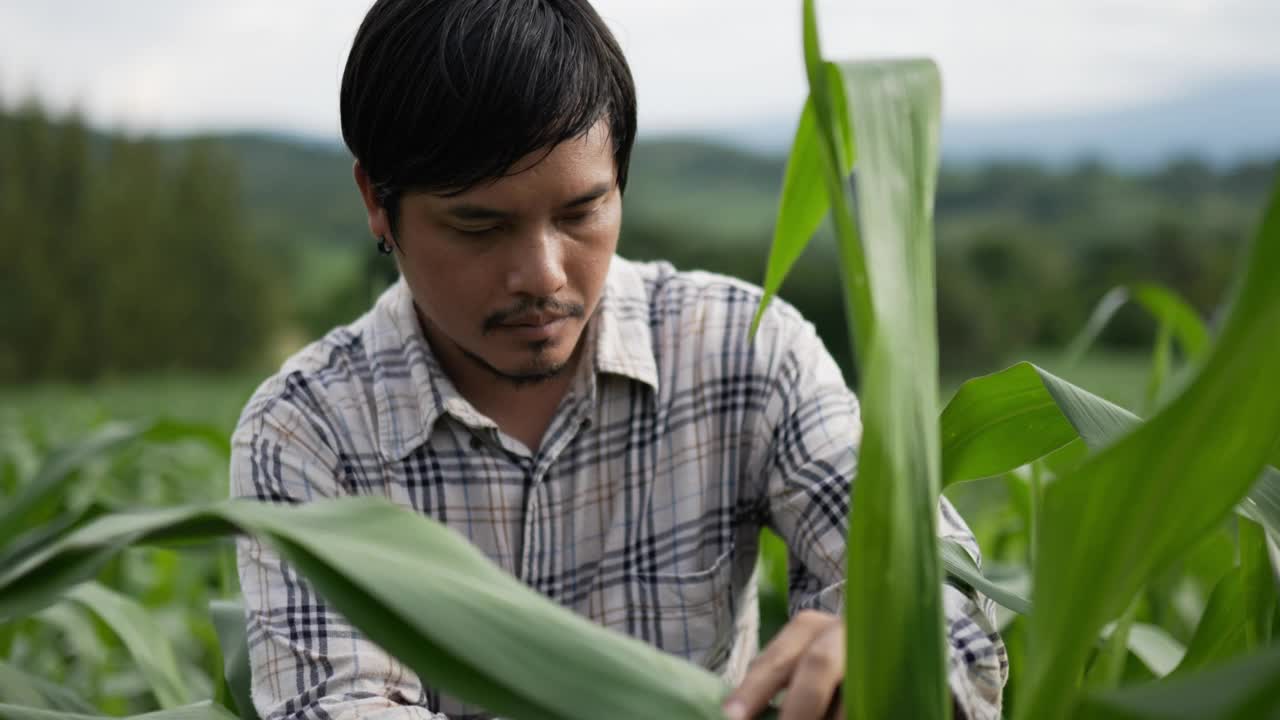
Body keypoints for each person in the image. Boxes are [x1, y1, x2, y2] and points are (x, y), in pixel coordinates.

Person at [230, 1, 1008, 718]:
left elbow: (947, 598)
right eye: (477, 227)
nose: (541, 275)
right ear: (376, 201)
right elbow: (335, 706)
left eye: (581, 212)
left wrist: (885, 651)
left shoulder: (743, 352)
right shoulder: (307, 433)